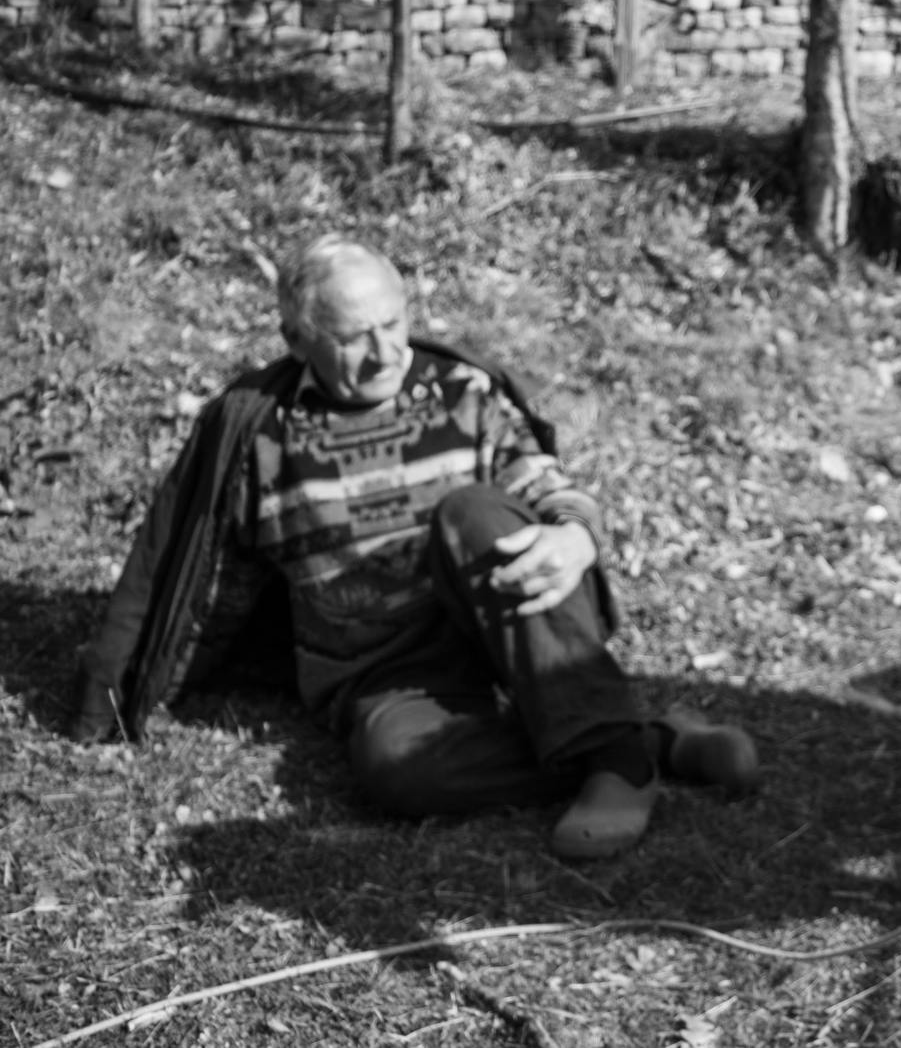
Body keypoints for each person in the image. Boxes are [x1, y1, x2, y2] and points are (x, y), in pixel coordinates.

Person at [68, 233, 758, 860]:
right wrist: (128, 687)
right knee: (400, 769)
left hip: (493, 634)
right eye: (355, 335)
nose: (386, 352)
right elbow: (199, 577)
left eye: (395, 324)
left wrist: (576, 533)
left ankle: (619, 764)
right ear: (297, 337)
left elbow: (541, 482)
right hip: (377, 675)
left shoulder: (460, 392)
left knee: (475, 513)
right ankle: (651, 743)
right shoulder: (259, 437)